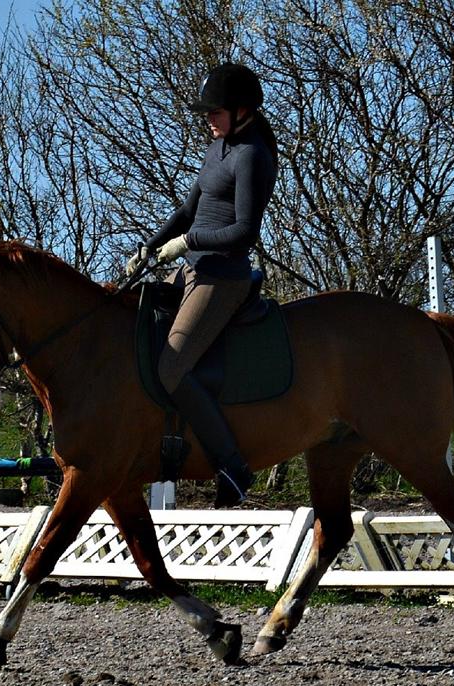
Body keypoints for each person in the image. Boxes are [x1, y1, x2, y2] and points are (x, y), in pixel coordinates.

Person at [128, 62, 279, 507]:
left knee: (171, 367)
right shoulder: (219, 148)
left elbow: (245, 231)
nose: (207, 118)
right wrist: (151, 245)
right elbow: (187, 210)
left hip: (222, 277)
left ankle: (232, 466)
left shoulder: (252, 155)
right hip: (191, 268)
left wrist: (187, 242)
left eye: (215, 111)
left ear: (242, 111)